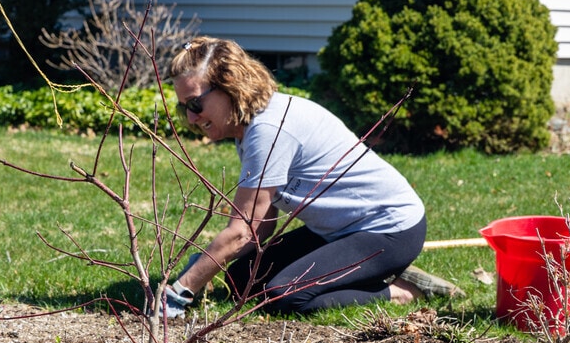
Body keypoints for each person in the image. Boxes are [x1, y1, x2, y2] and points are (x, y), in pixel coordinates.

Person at [161, 36, 439, 318]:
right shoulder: (249, 125)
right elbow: (260, 227)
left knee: (284, 296)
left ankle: (398, 291)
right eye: (186, 108)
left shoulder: (268, 128)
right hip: (340, 230)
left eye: (195, 104)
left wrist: (180, 292)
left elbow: (242, 231)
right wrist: (203, 267)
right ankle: (364, 273)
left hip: (389, 229)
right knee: (241, 281)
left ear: (229, 85)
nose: (192, 117)